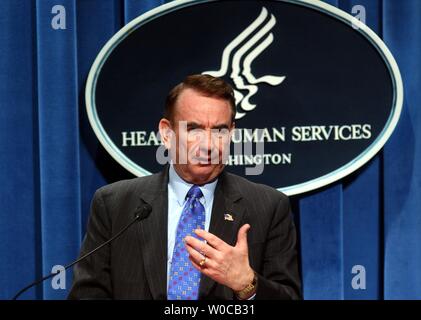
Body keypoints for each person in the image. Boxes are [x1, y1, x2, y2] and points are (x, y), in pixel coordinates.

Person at [68, 74, 301, 300]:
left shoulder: (268, 207)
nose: (208, 145)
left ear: (231, 133)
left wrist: (246, 284)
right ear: (167, 133)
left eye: (219, 131)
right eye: (194, 129)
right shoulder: (115, 203)